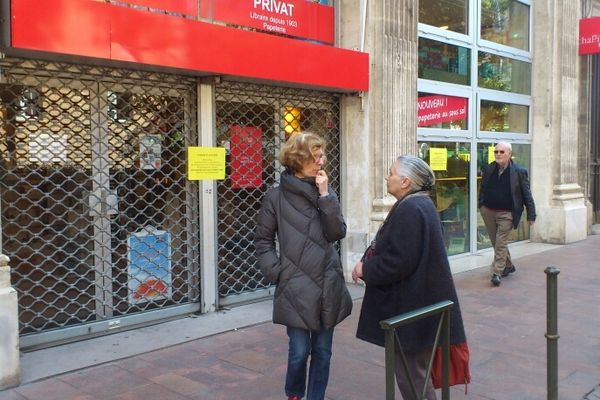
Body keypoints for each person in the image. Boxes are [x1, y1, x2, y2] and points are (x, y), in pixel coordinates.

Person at [352, 155, 466, 400]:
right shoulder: (418, 204)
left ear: (405, 181)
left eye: (391, 172)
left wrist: (366, 270)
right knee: (413, 375)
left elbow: (399, 261)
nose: (386, 177)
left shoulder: (412, 208)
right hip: (418, 306)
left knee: (412, 378)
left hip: (413, 310)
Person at [254, 132, 353, 400]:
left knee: (323, 351)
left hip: (326, 284)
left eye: (321, 155)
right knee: (299, 352)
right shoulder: (275, 197)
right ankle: (295, 393)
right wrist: (277, 273)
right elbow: (263, 242)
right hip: (294, 286)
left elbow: (337, 233)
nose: (321, 161)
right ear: (299, 160)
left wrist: (324, 197)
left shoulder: (326, 191)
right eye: (316, 156)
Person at [479, 141, 536, 287]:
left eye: (501, 152)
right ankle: (508, 265)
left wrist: (531, 214)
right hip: (488, 212)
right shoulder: (489, 168)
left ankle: (497, 272)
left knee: (500, 242)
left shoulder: (519, 171)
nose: (498, 154)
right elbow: (483, 188)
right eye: (496, 152)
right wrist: (482, 205)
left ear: (509, 154)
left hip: (507, 214)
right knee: (496, 242)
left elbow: (526, 194)